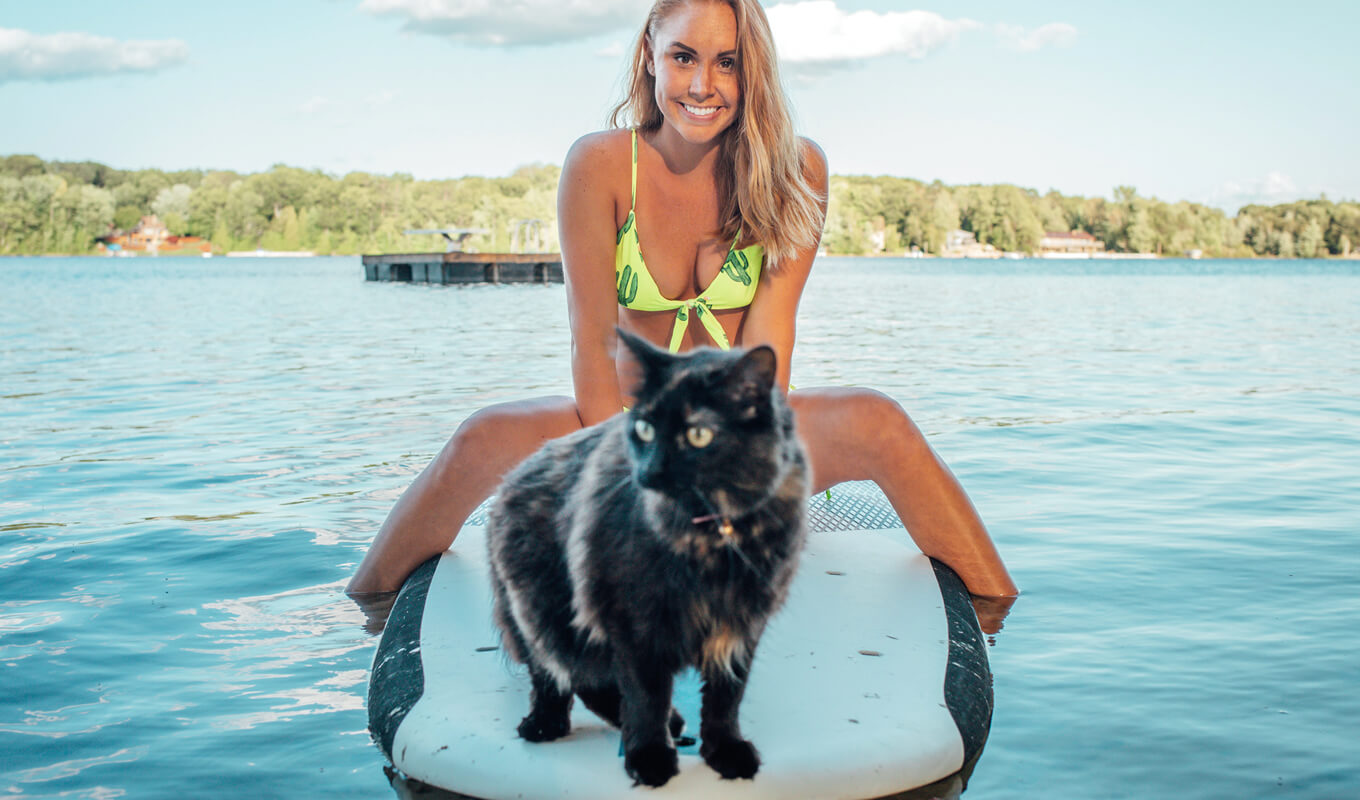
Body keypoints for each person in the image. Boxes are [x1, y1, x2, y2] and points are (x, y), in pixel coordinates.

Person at [347, 0, 1019, 612]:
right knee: (480, 438)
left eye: (727, 62)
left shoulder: (796, 170)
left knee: (881, 422)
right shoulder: (601, 166)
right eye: (684, 57)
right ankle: (368, 610)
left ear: (751, 70)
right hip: (624, 427)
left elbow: (769, 341)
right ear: (650, 54)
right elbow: (595, 343)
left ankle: (993, 616)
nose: (704, 85)